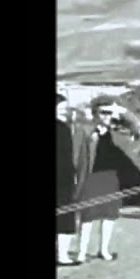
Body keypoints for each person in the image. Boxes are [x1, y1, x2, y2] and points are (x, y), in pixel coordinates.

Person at [72, 98, 140, 263]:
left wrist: (123, 112)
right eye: (103, 112)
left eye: (109, 113)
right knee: (87, 217)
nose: (107, 116)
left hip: (111, 178)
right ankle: (81, 253)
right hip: (90, 178)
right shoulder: (85, 131)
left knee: (109, 217)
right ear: (95, 114)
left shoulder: (118, 132)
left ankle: (104, 250)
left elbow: (139, 129)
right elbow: (75, 155)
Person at [57, 93, 79, 266]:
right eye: (61, 108)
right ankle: (62, 256)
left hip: (63, 179)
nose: (65, 111)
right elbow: (65, 158)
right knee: (64, 219)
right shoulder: (63, 129)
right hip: (62, 181)